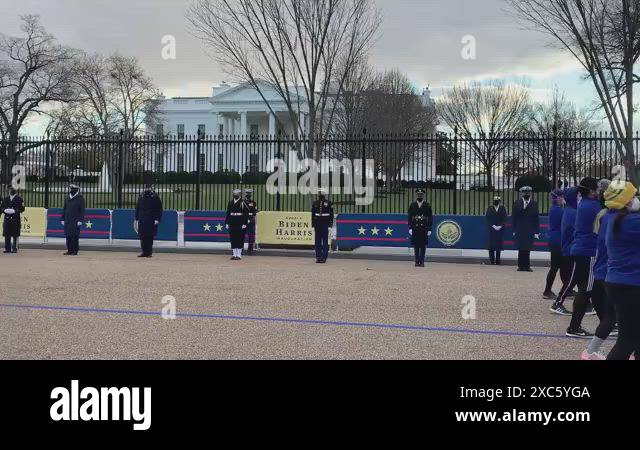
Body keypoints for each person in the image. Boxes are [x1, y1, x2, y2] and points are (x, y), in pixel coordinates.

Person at [580, 185, 620, 359]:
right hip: (614, 272)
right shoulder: (618, 220)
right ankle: (590, 351)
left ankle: (590, 351)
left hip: (606, 270)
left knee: (613, 316)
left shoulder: (606, 217)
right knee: (614, 316)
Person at [561, 177, 601, 338]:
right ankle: (574, 327)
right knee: (586, 290)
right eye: (597, 188)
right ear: (591, 191)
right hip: (589, 251)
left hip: (581, 249)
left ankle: (608, 322)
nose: (599, 191)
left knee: (592, 289)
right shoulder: (593, 206)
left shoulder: (584, 204)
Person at [604, 181, 640, 360]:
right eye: (633, 197)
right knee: (627, 341)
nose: (636, 199)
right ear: (625, 201)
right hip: (631, 286)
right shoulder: (631, 222)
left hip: (619, 283)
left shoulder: (614, 217)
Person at [551, 187, 579, 315]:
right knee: (571, 279)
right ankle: (558, 303)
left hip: (570, 248)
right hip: (570, 249)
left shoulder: (569, 210)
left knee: (574, 279)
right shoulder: (571, 212)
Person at [543, 189, 566, 298]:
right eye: (562, 197)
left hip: (554, 240)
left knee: (559, 267)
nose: (563, 199)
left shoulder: (555, 209)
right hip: (558, 241)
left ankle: (564, 288)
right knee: (556, 267)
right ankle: (547, 291)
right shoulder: (559, 211)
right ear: (558, 198)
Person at [511, 186, 540, 272]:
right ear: (522, 193)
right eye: (525, 192)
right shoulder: (517, 203)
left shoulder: (534, 203)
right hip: (520, 228)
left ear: (530, 193)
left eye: (528, 192)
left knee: (527, 247)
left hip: (530, 228)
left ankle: (527, 266)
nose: (526, 194)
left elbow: (536, 218)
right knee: (521, 247)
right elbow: (514, 217)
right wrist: (513, 229)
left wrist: (537, 231)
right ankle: (520, 265)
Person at [135, 183, 163, 258]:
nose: (147, 189)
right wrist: (137, 218)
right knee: (142, 236)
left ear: (151, 188)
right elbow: (138, 207)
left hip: (151, 218)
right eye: (146, 188)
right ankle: (144, 252)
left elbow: (159, 209)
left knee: (149, 236)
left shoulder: (155, 196)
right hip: (142, 218)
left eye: (149, 188)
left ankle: (149, 252)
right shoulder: (141, 195)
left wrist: (157, 219)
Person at [408, 189, 434, 267]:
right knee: (416, 245)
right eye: (418, 194)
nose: (420, 196)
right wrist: (410, 227)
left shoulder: (427, 205)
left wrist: (429, 228)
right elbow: (409, 217)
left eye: (421, 194)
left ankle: (422, 261)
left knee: (423, 245)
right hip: (415, 228)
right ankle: (416, 261)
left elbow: (430, 217)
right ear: (417, 195)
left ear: (423, 195)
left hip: (424, 228)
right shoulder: (412, 205)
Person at [61, 183, 85, 256]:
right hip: (68, 219)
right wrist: (62, 218)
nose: (71, 190)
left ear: (76, 189)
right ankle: (69, 250)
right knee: (68, 235)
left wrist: (80, 220)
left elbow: (82, 210)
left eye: (73, 189)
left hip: (75, 220)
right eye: (71, 189)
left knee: (74, 235)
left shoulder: (80, 198)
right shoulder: (67, 197)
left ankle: (75, 251)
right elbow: (64, 209)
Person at [311, 188, 334, 263]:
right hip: (317, 223)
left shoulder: (329, 203)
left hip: (325, 223)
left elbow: (331, 214)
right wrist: (313, 225)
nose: (320, 195)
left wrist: (330, 225)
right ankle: (318, 257)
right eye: (319, 193)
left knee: (325, 241)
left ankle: (324, 257)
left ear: (324, 194)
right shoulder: (315, 203)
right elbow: (313, 215)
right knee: (317, 241)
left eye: (321, 193)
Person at [225, 189, 249, 260]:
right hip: (232, 221)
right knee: (233, 237)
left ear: (239, 195)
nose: (236, 195)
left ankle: (239, 255)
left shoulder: (243, 202)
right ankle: (234, 254)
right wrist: (227, 222)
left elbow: (245, 214)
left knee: (239, 238)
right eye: (235, 194)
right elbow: (228, 213)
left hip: (240, 221)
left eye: (237, 194)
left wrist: (244, 223)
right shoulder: (230, 202)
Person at [1, 185, 25, 254]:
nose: (11, 190)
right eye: (10, 189)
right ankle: (7, 248)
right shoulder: (6, 199)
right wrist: (5, 210)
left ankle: (14, 248)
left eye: (12, 189)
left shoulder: (19, 199)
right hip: (7, 219)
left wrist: (15, 211)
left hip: (15, 219)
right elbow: (2, 207)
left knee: (15, 234)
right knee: (7, 234)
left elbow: (22, 209)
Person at [484, 195, 507, 265]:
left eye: (497, 201)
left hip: (500, 229)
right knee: (491, 245)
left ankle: (498, 260)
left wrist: (500, 226)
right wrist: (493, 226)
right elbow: (488, 218)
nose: (496, 202)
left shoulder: (502, 208)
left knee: (498, 245)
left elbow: (504, 218)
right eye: (495, 201)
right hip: (492, 229)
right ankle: (491, 260)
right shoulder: (490, 208)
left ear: (499, 202)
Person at [244, 189, 258, 255]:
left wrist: (251, 218)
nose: (249, 195)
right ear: (245, 195)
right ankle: (240, 249)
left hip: (251, 220)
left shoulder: (254, 203)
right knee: (241, 236)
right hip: (243, 220)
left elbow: (255, 211)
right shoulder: (242, 202)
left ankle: (250, 250)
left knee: (251, 237)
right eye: (247, 194)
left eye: (250, 194)